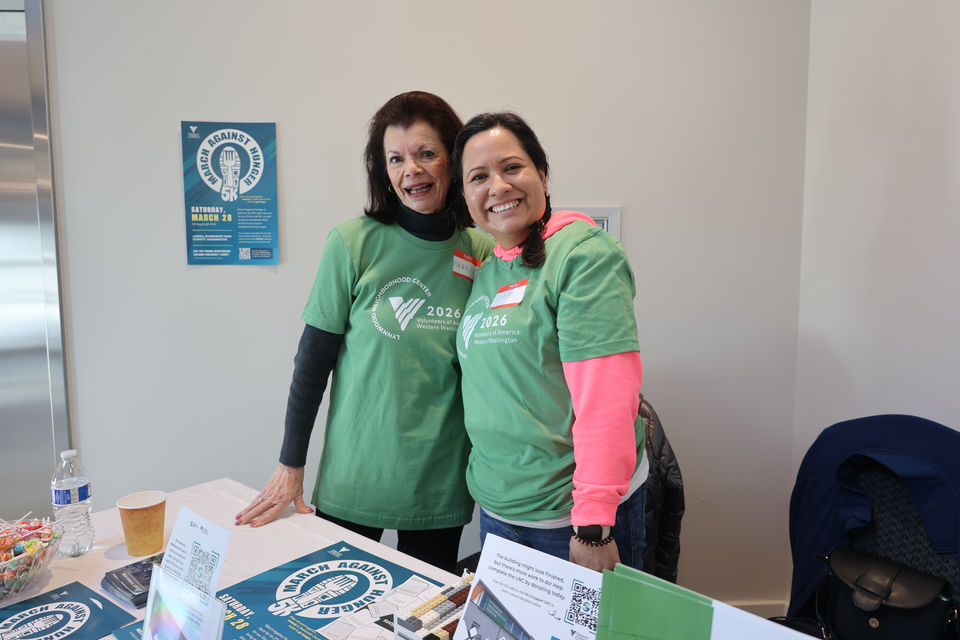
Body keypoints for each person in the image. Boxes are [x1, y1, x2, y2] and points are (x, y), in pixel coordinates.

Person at [235, 92, 494, 573]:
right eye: (395, 158)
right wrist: (291, 465)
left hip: (439, 481)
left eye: (426, 153)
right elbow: (312, 363)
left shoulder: (482, 251)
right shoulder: (353, 242)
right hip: (356, 476)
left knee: (425, 608)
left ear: (454, 159)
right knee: (339, 601)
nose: (410, 170)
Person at [451, 112, 647, 572]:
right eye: (478, 177)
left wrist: (593, 525)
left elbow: (606, 399)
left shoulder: (583, 256)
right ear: (465, 196)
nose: (498, 186)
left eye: (512, 167)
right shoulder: (489, 268)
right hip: (499, 510)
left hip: (571, 520)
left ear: (541, 174)